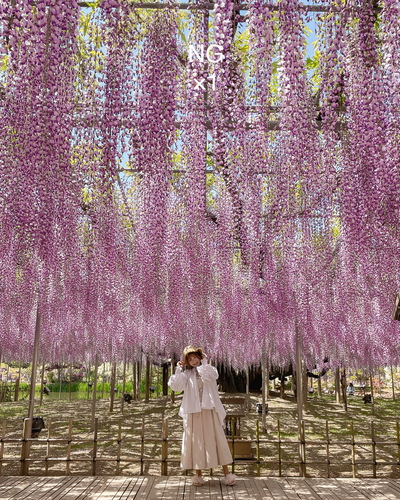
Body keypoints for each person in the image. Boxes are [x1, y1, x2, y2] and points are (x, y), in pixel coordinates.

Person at [168, 345, 236, 487]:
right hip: (194, 412)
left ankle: (227, 474)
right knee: (195, 442)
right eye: (190, 359)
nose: (193, 361)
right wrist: (178, 369)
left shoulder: (209, 369)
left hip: (208, 409)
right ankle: (198, 475)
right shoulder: (188, 374)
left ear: (200, 357)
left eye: (195, 357)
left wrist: (204, 363)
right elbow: (176, 386)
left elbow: (211, 376)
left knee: (217, 439)